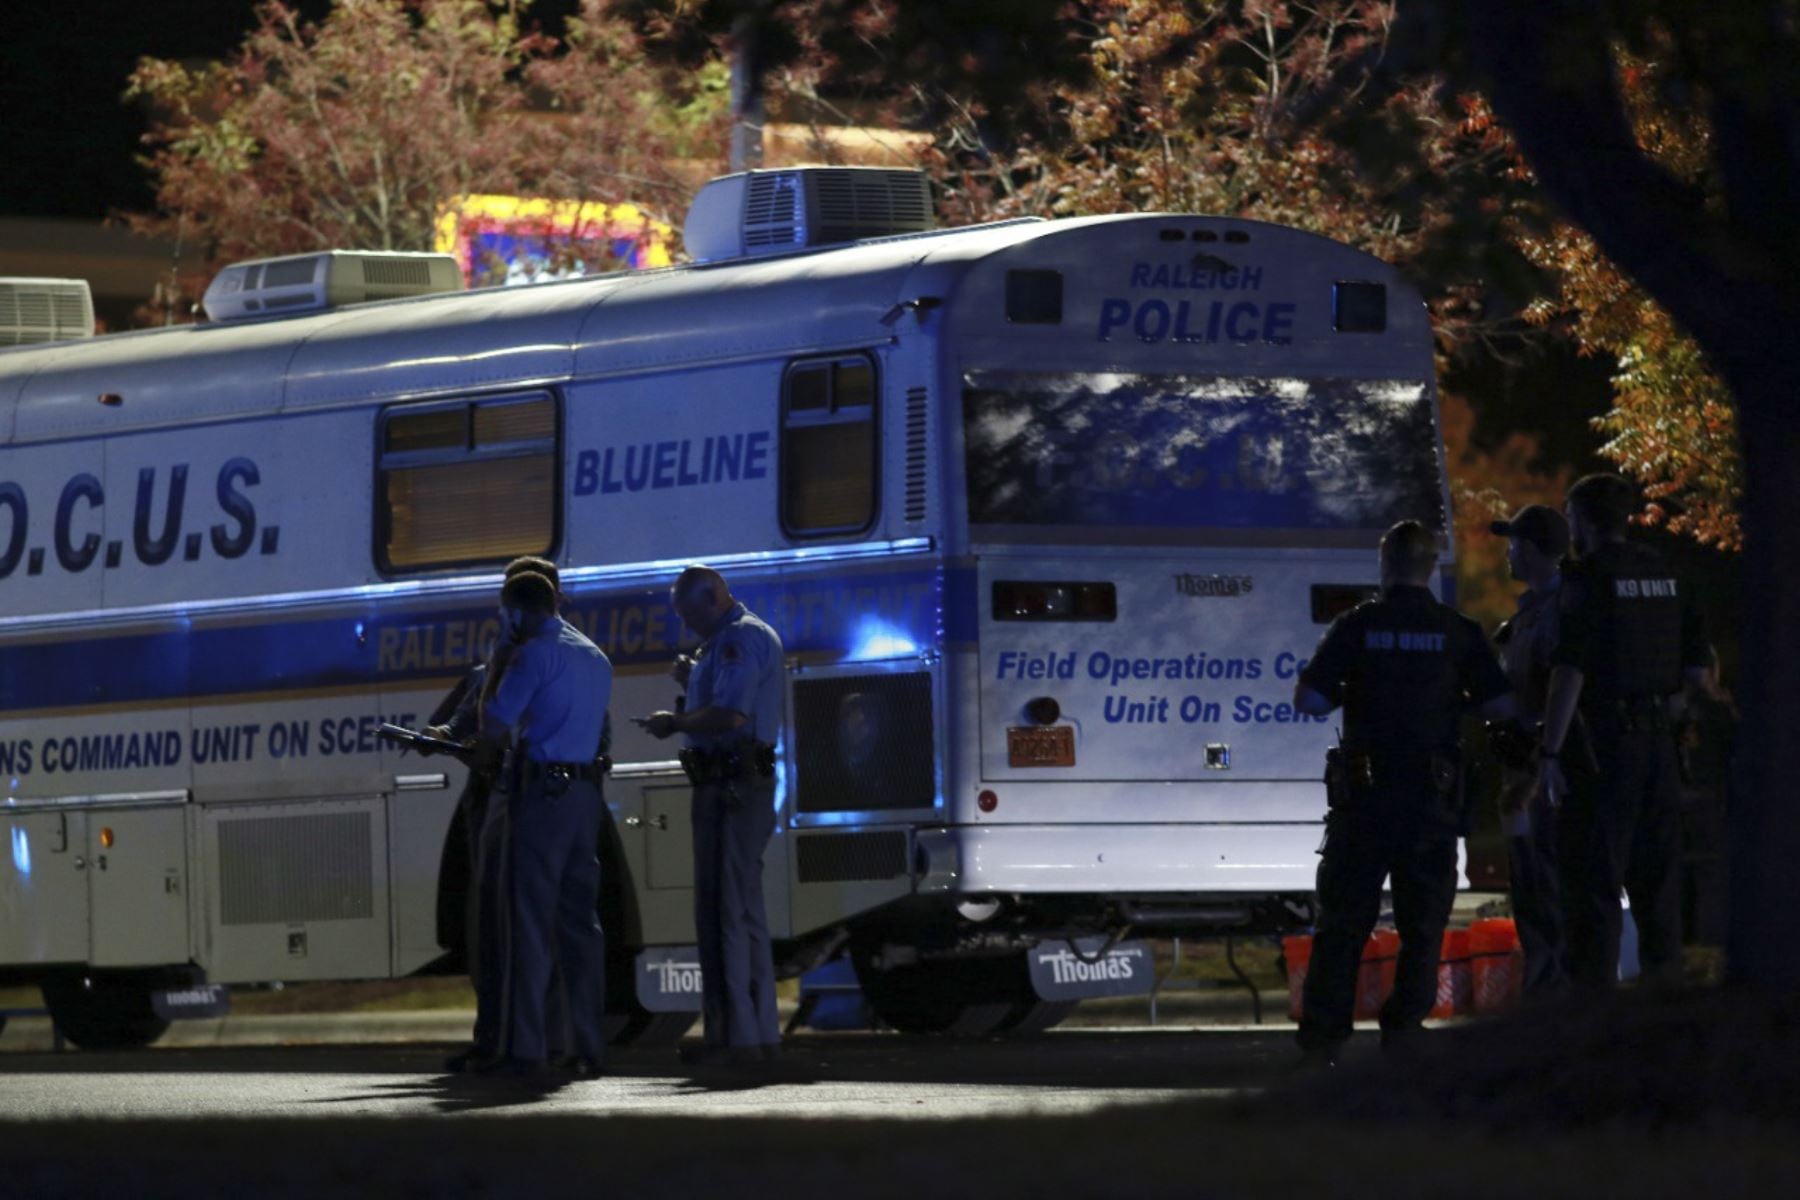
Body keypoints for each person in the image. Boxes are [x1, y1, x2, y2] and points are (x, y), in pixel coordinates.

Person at [1292, 520, 1514, 1063]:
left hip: (1364, 801)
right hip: (1430, 800)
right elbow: (1501, 706)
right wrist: (1449, 706)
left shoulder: (1357, 625)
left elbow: (1310, 701)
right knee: (1424, 922)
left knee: (1344, 921)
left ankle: (1324, 1039)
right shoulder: (1458, 630)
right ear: (1431, 566)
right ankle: (1405, 1031)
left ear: (1385, 563)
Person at [1537, 474, 1713, 991]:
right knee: (1658, 883)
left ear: (1585, 520)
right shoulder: (1667, 573)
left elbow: (1570, 671)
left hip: (1605, 748)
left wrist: (1550, 752)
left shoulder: (1587, 579)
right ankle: (1664, 1007)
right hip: (1660, 746)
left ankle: (1594, 1017)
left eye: (1570, 517)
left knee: (1594, 881)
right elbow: (1698, 675)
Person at [424, 556, 576, 1074]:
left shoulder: (553, 660)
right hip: (489, 801)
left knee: (531, 929)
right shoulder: (494, 664)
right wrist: (438, 738)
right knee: (488, 930)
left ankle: (536, 1043)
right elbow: (456, 723)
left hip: (527, 801)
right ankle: (496, 1039)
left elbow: (496, 731)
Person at [638, 565, 785, 1069]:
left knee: (724, 911)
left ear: (711, 600)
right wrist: (692, 679)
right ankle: (752, 1032)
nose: (687, 626)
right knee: (740, 910)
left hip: (730, 785)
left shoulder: (736, 641)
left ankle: (735, 1040)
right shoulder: (731, 640)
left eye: (688, 615)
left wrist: (673, 722)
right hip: (737, 783)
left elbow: (732, 715)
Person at [469, 569, 613, 1077]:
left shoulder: (530, 654)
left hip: (540, 797)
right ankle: (587, 1046)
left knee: (527, 924)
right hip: (584, 797)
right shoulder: (594, 655)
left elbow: (493, 722)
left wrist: (497, 661)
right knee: (580, 928)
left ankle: (525, 1049)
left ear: (515, 611)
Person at [1488, 505, 1574, 998]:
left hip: (1543, 769)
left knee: (1544, 879)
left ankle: (1553, 989)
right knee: (1525, 876)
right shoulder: (1526, 614)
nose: (1508, 552)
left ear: (1540, 551)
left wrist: (1544, 751)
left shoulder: (1564, 614)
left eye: (1516, 544)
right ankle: (1542, 984)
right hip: (1520, 769)